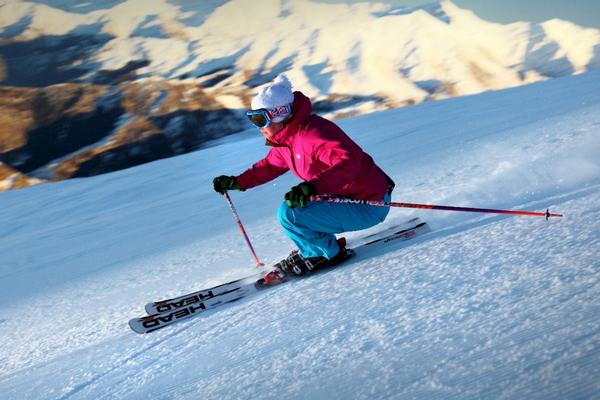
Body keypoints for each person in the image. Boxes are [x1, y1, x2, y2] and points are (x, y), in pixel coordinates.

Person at [213, 74, 394, 285]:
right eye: (252, 119)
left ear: (279, 115)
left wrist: (313, 187)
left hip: (366, 203)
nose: (258, 127)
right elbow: (270, 165)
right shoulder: (288, 139)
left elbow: (350, 161)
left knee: (291, 214)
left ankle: (323, 254)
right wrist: (237, 182)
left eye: (260, 119)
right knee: (294, 209)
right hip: (344, 199)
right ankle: (315, 249)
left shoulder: (314, 135)